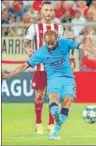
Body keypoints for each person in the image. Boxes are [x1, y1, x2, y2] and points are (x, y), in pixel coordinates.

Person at [2, 30, 96, 140]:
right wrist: (9, 75)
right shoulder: (41, 52)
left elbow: (81, 45)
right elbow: (24, 66)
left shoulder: (65, 43)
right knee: (53, 98)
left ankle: (55, 132)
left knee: (68, 100)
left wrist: (94, 50)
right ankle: (56, 116)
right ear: (44, 41)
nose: (50, 46)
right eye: (47, 44)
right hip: (53, 79)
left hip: (68, 78)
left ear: (57, 39)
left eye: (52, 44)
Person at [24, 1, 64, 134]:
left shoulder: (59, 27)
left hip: (55, 68)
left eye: (51, 10)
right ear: (41, 11)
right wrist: (28, 50)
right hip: (40, 67)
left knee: (54, 96)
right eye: (46, 10)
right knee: (40, 95)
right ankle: (38, 122)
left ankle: (51, 124)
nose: (48, 13)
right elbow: (26, 42)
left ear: (53, 12)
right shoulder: (34, 27)